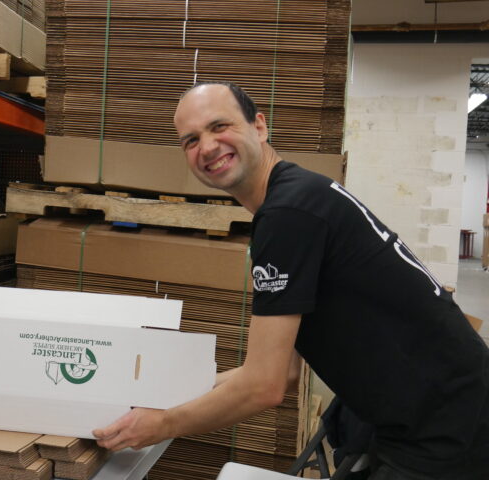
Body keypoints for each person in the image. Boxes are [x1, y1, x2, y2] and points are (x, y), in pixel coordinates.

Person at [93, 81, 489, 479]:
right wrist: (173, 395)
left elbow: (263, 386)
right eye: (191, 140)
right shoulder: (296, 197)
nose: (208, 147)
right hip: (433, 412)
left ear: (259, 126)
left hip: (447, 427)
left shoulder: (289, 215)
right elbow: (283, 371)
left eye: (219, 126)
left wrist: (163, 424)